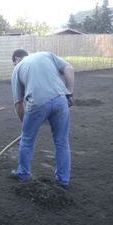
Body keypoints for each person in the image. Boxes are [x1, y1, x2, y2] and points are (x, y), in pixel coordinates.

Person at [10, 49, 75, 189]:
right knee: (62, 142)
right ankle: (63, 181)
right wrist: (69, 92)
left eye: (14, 63)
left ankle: (23, 174)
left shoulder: (17, 69)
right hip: (60, 99)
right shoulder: (46, 55)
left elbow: (18, 104)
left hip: (38, 103)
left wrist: (25, 126)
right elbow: (69, 68)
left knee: (27, 140)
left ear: (16, 59)